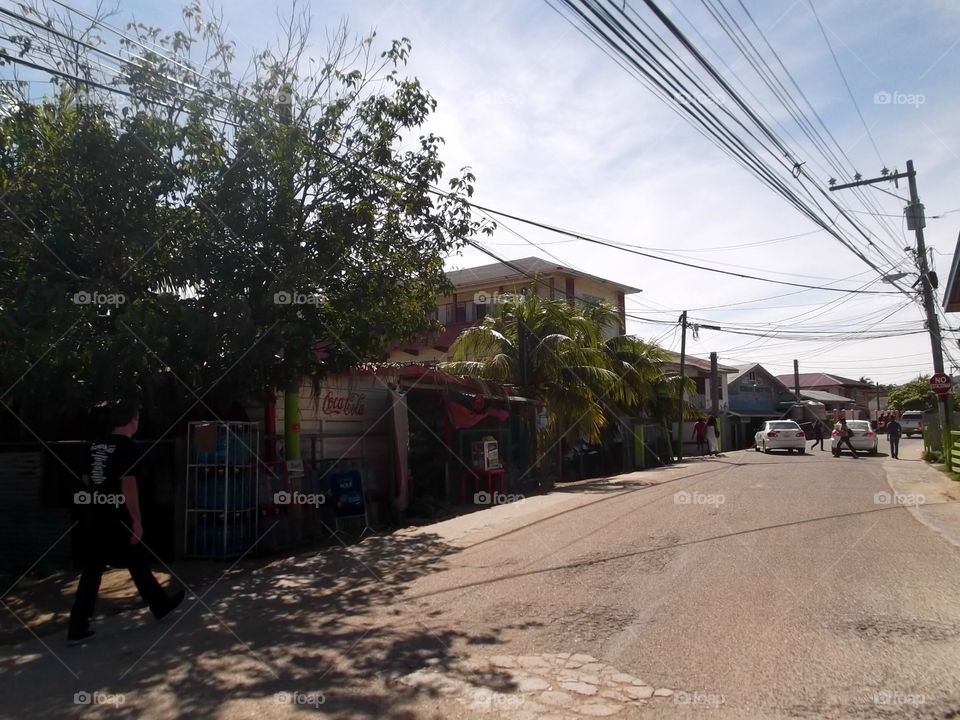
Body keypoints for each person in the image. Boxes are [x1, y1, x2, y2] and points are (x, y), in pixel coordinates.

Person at [68, 400, 185, 645]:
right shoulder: (129, 448)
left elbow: (86, 476)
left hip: (93, 513)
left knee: (97, 568)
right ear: (132, 421)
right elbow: (128, 485)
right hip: (117, 515)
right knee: (133, 559)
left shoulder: (95, 446)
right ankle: (159, 604)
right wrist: (136, 520)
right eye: (137, 420)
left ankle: (77, 626)